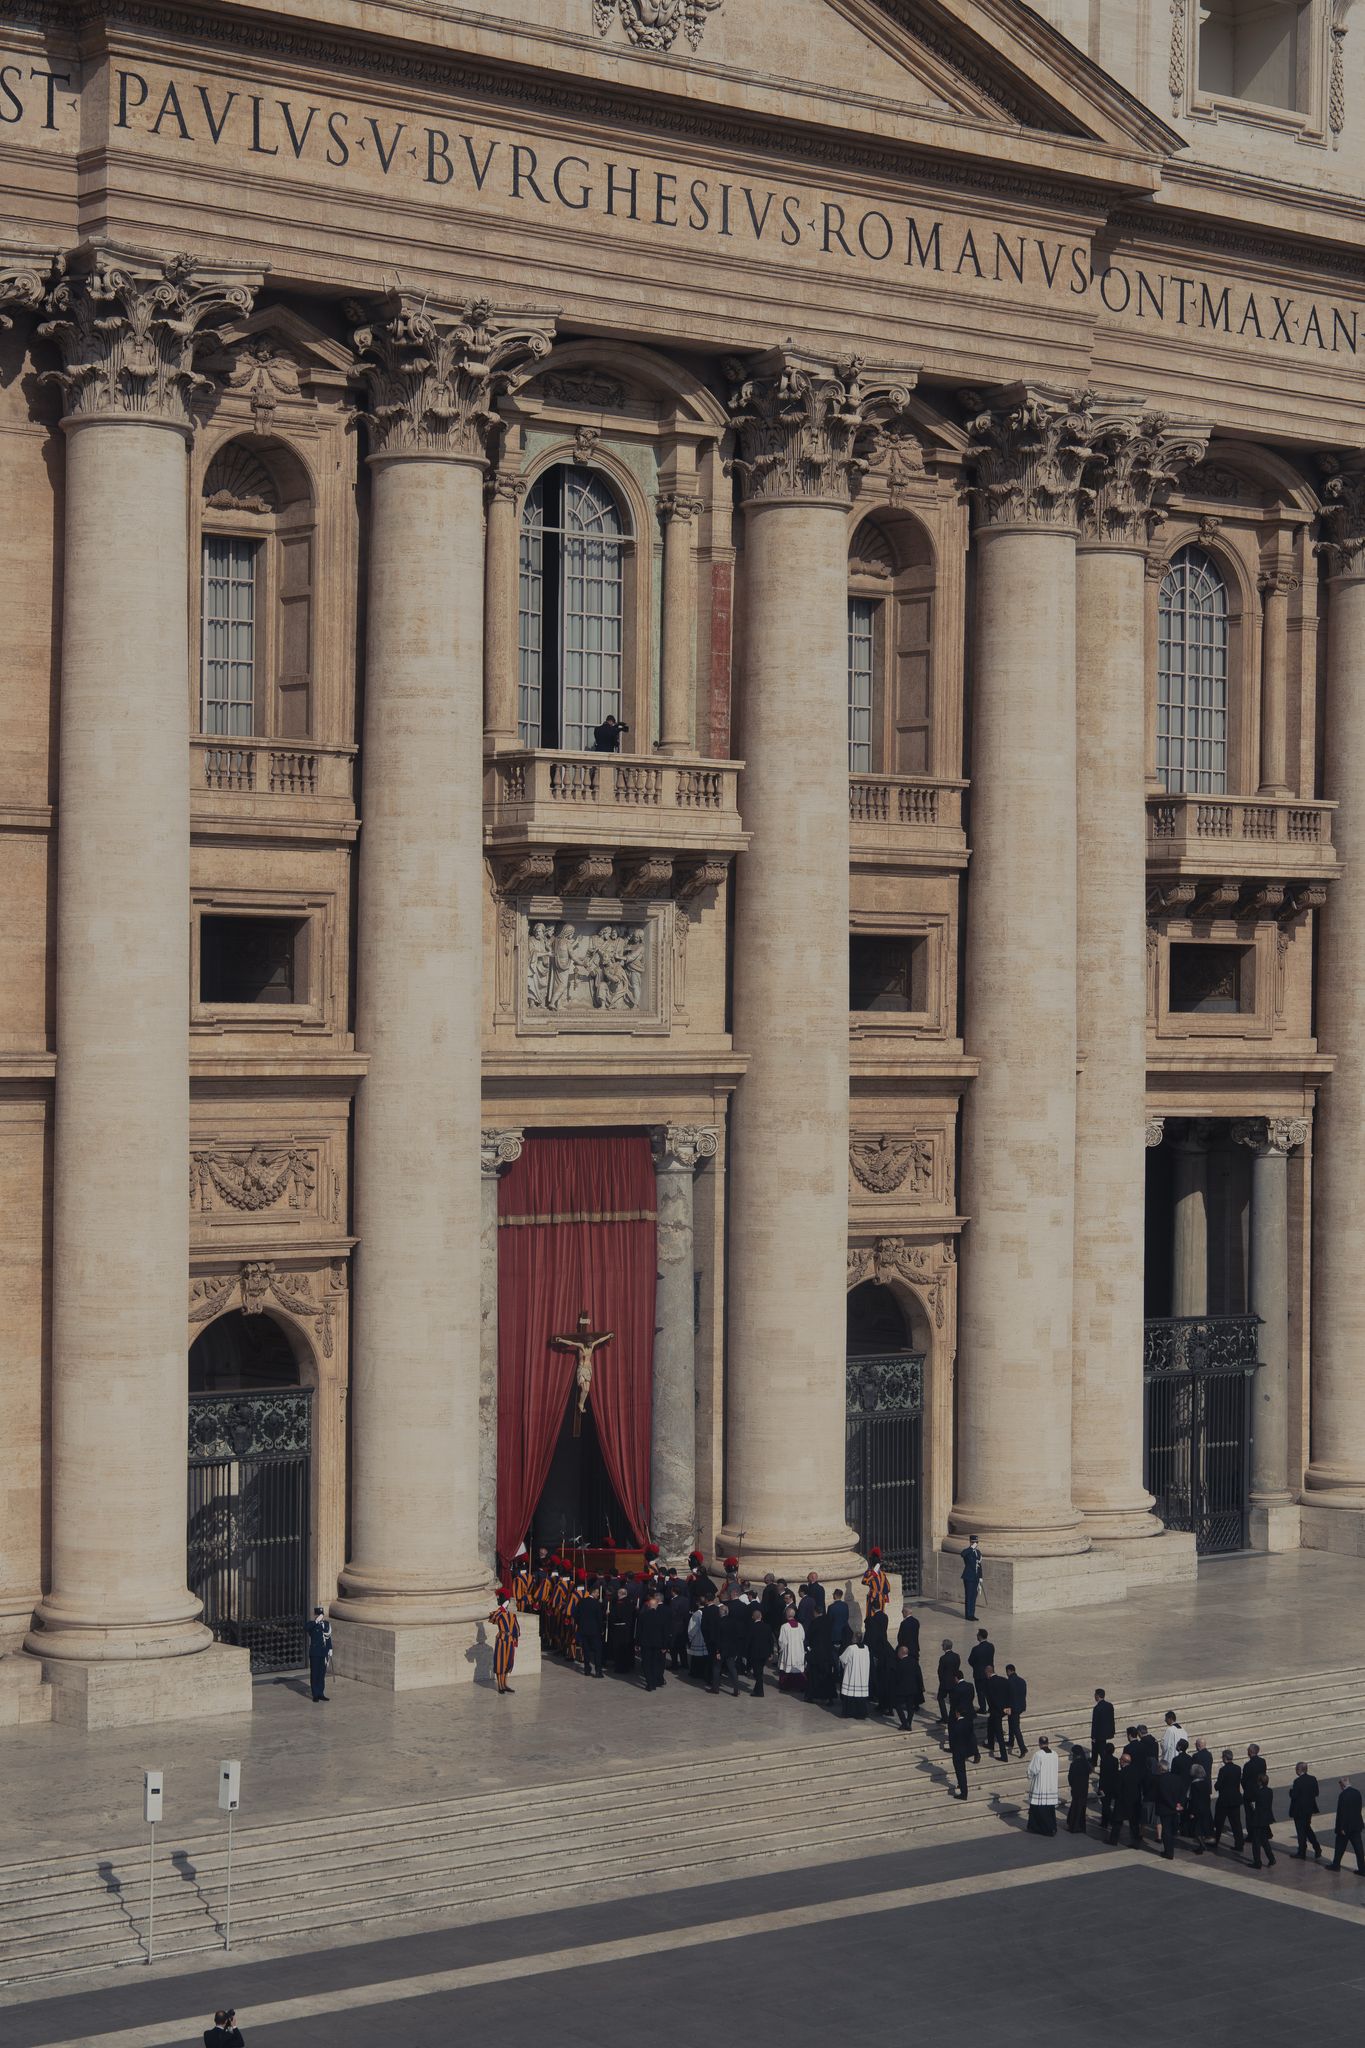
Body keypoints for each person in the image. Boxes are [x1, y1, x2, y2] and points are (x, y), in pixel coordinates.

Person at [1286, 1761, 1322, 1860]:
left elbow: (1294, 1796)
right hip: (1309, 1809)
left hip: (1299, 1810)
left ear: (1298, 1770)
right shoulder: (1313, 1779)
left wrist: (1291, 1791)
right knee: (1307, 1829)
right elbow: (1316, 1793)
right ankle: (1316, 1847)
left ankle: (1302, 1852)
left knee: (1301, 1831)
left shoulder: (1297, 1781)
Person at [1109, 1747, 1144, 1848]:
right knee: (1134, 1824)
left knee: (1117, 1822)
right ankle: (1136, 1842)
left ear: (1123, 1762)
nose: (1119, 1761)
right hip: (1134, 1801)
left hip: (1122, 1801)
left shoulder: (1121, 1773)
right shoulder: (1136, 1772)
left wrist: (1115, 1796)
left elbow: (1117, 1788)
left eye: (1120, 1759)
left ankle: (1113, 1840)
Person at [1213, 1750, 1246, 1852]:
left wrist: (1216, 1785)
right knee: (1236, 1823)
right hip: (1235, 1799)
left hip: (1224, 1800)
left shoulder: (1223, 1770)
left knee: (1219, 1822)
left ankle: (1215, 1841)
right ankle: (1239, 1844)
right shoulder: (1237, 1768)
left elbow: (1218, 1785)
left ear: (1224, 1758)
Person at [1330, 1777, 1365, 1872]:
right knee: (1359, 1848)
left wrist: (1341, 1827)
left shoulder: (1343, 1795)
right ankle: (1362, 1869)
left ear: (1343, 1784)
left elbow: (1342, 1813)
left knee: (1340, 1847)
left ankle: (1336, 1865)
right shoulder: (1357, 1792)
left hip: (1345, 1827)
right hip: (1356, 1825)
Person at [716, 1595, 748, 1697]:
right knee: (732, 1669)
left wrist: (717, 1651)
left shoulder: (719, 1623)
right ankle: (736, 1689)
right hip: (731, 1650)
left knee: (716, 1668)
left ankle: (715, 1688)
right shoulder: (733, 1623)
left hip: (722, 1649)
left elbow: (718, 1639)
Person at [1026, 1736, 1058, 1835]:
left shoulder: (1038, 1755)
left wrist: (1029, 1775)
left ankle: (1041, 1828)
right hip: (1051, 1785)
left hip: (1040, 1785)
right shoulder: (1055, 1754)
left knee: (1038, 1808)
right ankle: (1052, 1827)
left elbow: (1033, 1770)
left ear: (1039, 1743)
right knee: (1049, 1809)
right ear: (1048, 1743)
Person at [637, 1591, 668, 1692]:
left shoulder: (643, 1616)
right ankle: (654, 1682)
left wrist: (637, 1643)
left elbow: (639, 1631)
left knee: (646, 1663)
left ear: (649, 1606)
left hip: (646, 1643)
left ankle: (650, 1682)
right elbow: (665, 1632)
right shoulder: (662, 1617)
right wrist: (665, 1645)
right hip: (658, 1643)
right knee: (655, 1663)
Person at [489, 1592, 519, 1695]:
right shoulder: (499, 1614)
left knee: (508, 1663)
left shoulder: (512, 1615)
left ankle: (505, 1684)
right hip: (501, 1639)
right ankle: (500, 1685)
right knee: (500, 1663)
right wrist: (501, 1608)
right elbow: (492, 1619)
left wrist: (515, 1639)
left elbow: (516, 1629)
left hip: (510, 1640)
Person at [889, 1642, 924, 1729]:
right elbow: (919, 1675)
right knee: (910, 1707)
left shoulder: (899, 1664)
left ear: (901, 1653)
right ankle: (909, 1723)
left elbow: (897, 1678)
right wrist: (920, 1686)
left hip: (902, 1689)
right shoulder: (914, 1662)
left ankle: (904, 1723)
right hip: (912, 1689)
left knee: (898, 1705)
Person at [1152, 1764, 1184, 1859]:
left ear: (1161, 1769)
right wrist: (1179, 1804)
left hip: (1165, 1809)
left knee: (1166, 1831)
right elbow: (1182, 1791)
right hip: (1175, 1808)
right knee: (1172, 1830)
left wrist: (1173, 1806)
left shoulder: (1159, 1780)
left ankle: (1168, 1852)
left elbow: (1164, 1796)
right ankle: (1170, 1850)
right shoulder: (1177, 1777)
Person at [577, 1576, 606, 1678]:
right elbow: (599, 1618)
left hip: (584, 1630)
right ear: (593, 1592)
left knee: (586, 1651)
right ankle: (598, 1671)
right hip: (595, 1632)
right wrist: (601, 1629)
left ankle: (587, 1669)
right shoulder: (596, 1604)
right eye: (598, 1593)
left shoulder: (581, 1602)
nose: (598, 1595)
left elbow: (576, 1615)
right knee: (597, 1651)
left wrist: (580, 1625)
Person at [839, 1631, 872, 1719]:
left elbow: (843, 1659)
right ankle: (861, 1714)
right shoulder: (866, 1648)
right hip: (862, 1677)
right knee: (860, 1696)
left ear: (854, 1638)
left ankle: (848, 1713)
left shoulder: (851, 1648)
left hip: (852, 1675)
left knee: (850, 1694)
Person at [304, 1605, 332, 1703]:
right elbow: (306, 1628)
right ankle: (315, 1694)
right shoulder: (312, 1624)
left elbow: (328, 1638)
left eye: (321, 1615)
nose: (320, 1616)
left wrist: (330, 1649)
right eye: (319, 1615)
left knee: (321, 1674)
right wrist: (316, 1622)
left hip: (323, 1652)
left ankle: (321, 1693)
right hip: (315, 1653)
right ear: (315, 1615)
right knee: (315, 1674)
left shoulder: (326, 1624)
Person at [1248, 1776, 1277, 1869]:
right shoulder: (1269, 1791)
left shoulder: (1257, 1793)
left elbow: (1253, 1804)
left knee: (1256, 1841)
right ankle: (1271, 1858)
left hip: (1258, 1819)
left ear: (1260, 1782)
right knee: (1264, 1840)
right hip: (1266, 1818)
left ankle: (1257, 1862)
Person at [948, 1701, 975, 1799]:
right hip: (965, 1750)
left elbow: (953, 1739)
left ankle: (964, 1793)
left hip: (958, 1752)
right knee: (962, 1771)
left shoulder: (956, 1726)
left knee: (960, 1772)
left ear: (958, 1713)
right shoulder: (968, 1723)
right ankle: (963, 1788)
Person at [748, 1604, 776, 1698]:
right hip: (764, 1653)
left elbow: (749, 1641)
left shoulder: (751, 1627)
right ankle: (757, 1690)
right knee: (759, 1672)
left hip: (755, 1653)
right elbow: (771, 1641)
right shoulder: (767, 1627)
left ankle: (760, 1692)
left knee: (757, 1673)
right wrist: (771, 1652)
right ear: (761, 1616)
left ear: (753, 1617)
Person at [608, 1583, 636, 1674]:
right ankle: (627, 1665)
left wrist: (609, 1614)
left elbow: (616, 1615)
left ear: (620, 1594)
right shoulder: (631, 1602)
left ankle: (620, 1667)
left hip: (619, 1628)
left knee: (618, 1649)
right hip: (628, 1628)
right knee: (626, 1648)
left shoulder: (619, 1604)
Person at [985, 1665, 1011, 1762]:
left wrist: (1001, 1708)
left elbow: (992, 1699)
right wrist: (1007, 1706)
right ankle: (990, 1743)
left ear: (988, 1672)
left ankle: (1004, 1756)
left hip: (996, 1710)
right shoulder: (1003, 1680)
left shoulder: (989, 1683)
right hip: (1003, 1709)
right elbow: (1009, 1693)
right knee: (990, 1722)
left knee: (999, 1733)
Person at [778, 1607, 806, 1692]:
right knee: (798, 1667)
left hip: (789, 1650)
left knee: (787, 1666)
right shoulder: (800, 1625)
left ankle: (786, 1685)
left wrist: (781, 1649)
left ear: (786, 1615)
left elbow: (782, 1641)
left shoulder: (784, 1626)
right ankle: (800, 1685)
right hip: (798, 1650)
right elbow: (803, 1637)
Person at [1186, 1763, 1212, 1853]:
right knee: (1202, 1827)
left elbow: (1194, 1799)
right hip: (1205, 1807)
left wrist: (1192, 1812)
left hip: (1197, 1808)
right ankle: (1202, 1845)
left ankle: (1201, 1846)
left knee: (1196, 1829)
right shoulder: (1205, 1782)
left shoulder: (1194, 1784)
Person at [1066, 1742, 1091, 1834]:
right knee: (1081, 1808)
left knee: (1075, 1807)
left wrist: (1072, 1785)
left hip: (1076, 1789)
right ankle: (1081, 1826)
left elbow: (1070, 1778)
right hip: (1084, 1788)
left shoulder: (1074, 1764)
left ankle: (1074, 1826)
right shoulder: (1086, 1763)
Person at [967, 1629, 995, 1714]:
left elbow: (970, 1660)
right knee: (989, 1691)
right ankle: (992, 1707)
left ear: (980, 1636)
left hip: (979, 1673)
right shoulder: (991, 1646)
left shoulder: (976, 1649)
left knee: (980, 1692)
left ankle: (983, 1708)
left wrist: (976, 1667)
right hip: (990, 1672)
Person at [1097, 1742, 1120, 1836]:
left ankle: (1110, 1820)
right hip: (1112, 1785)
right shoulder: (1115, 1760)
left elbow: (1102, 1775)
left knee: (1105, 1805)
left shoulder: (1104, 1760)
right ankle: (1104, 1822)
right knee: (1107, 1803)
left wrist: (1100, 1787)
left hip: (1105, 1786)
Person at [1005, 1663, 1027, 1757]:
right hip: (1020, 1707)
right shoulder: (1022, 1681)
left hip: (1013, 1708)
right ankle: (1011, 1741)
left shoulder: (1009, 1682)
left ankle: (1023, 1748)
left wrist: (1007, 1707)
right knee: (1011, 1723)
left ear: (1009, 1671)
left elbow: (1008, 1697)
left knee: (1016, 1728)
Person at [935, 1640, 960, 1722]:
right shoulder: (956, 1656)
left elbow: (940, 1672)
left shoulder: (943, 1658)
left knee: (940, 1698)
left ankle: (945, 1717)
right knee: (953, 1700)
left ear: (945, 1647)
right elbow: (957, 1668)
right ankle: (954, 1715)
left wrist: (941, 1681)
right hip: (954, 1681)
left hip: (945, 1683)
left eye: (942, 1645)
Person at [960, 1536, 983, 1620]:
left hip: (976, 1578)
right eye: (973, 1542)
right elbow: (962, 1554)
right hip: (968, 1577)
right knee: (969, 1596)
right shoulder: (968, 1551)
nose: (975, 1544)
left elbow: (979, 1566)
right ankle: (968, 1615)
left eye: (976, 1542)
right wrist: (971, 1548)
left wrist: (981, 1578)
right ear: (970, 1542)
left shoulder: (978, 1552)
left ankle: (972, 1614)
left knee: (974, 1596)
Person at [1091, 1688, 1116, 1755]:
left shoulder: (1097, 1708)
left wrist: (1093, 1736)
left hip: (1100, 1734)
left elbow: (1095, 1723)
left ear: (1097, 1696)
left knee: (1099, 1748)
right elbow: (1112, 1719)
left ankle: (1095, 1761)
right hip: (1108, 1731)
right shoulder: (1109, 1705)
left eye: (1095, 1695)